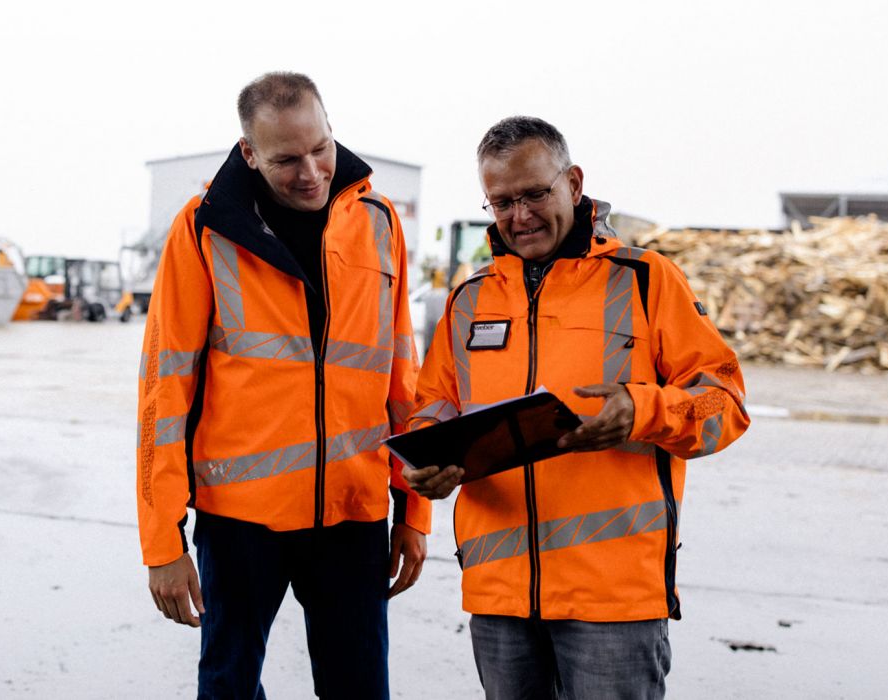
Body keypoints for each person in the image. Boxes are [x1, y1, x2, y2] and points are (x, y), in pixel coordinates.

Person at [403, 116, 750, 699]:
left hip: (613, 601)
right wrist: (429, 460)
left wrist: (641, 411)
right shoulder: (470, 300)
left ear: (573, 182)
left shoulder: (644, 281)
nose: (520, 216)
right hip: (499, 597)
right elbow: (434, 406)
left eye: (535, 193)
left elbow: (726, 404)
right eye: (502, 202)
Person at [136, 72, 430, 699]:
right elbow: (165, 392)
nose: (311, 172)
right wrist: (163, 543)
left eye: (320, 148)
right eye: (286, 159)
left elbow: (401, 376)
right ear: (248, 153)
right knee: (229, 689)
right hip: (240, 520)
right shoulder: (205, 228)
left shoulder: (379, 223)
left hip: (353, 513)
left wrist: (415, 510)